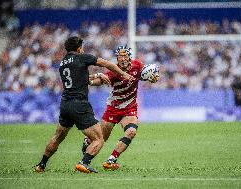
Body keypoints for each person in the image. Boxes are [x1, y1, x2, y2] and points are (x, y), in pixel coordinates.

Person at [34, 36, 134, 174]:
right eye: (82, 47)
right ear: (79, 48)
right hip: (79, 104)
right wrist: (123, 74)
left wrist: (97, 75)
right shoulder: (82, 57)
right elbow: (107, 64)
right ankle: (84, 163)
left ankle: (41, 164)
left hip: (65, 104)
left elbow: (80, 78)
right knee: (99, 138)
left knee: (58, 137)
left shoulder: (63, 63)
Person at [82, 45, 159, 170]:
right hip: (113, 108)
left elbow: (149, 73)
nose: (122, 59)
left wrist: (153, 77)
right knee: (101, 139)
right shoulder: (114, 71)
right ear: (117, 58)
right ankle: (87, 144)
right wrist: (90, 82)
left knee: (131, 132)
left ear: (129, 57)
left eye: (125, 56)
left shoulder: (137, 65)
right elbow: (101, 81)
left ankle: (111, 160)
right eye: (120, 57)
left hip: (129, 108)